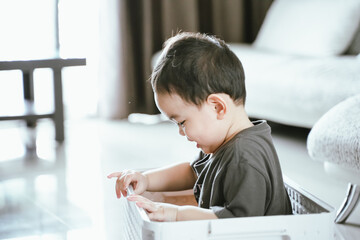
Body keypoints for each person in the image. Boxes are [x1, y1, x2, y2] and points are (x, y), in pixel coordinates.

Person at [107, 32, 292, 222]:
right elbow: (191, 172)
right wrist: (146, 179)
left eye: (182, 122)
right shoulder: (224, 141)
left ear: (217, 107)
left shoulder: (243, 157)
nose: (180, 131)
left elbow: (236, 224)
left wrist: (176, 214)